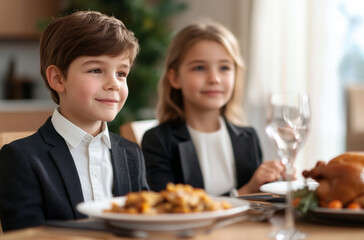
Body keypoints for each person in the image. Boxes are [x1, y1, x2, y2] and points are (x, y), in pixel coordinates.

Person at [0, 11, 149, 232]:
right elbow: (28, 236)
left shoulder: (131, 153)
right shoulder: (21, 158)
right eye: (96, 70)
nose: (114, 84)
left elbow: (146, 224)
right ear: (58, 79)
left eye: (121, 73)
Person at [141, 21, 285, 196]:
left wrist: (276, 181)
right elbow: (168, 207)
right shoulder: (158, 141)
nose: (214, 78)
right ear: (175, 78)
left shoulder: (248, 137)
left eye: (224, 67)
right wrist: (245, 191)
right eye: (199, 68)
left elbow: (260, 201)